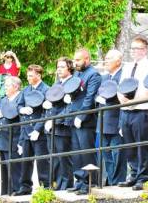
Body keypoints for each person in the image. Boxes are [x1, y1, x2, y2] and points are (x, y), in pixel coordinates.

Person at [117, 36, 148, 191]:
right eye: (132, 48)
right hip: (126, 110)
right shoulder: (127, 67)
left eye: (137, 48)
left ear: (145, 50)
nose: (134, 52)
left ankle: (143, 176)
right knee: (129, 144)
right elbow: (120, 86)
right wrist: (122, 100)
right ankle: (133, 174)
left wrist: (133, 103)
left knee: (141, 144)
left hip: (141, 110)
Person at [68, 48, 102, 194]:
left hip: (86, 120)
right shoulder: (77, 73)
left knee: (86, 152)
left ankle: (89, 182)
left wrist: (81, 117)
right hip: (74, 117)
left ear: (87, 59)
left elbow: (90, 98)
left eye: (78, 60)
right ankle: (80, 180)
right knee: (76, 152)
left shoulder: (93, 75)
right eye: (74, 60)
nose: (75, 63)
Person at [16, 65, 50, 194]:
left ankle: (45, 186)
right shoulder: (25, 90)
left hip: (39, 133)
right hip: (26, 131)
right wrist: (22, 109)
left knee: (42, 161)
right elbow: (19, 105)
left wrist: (37, 129)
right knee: (26, 161)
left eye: (31, 76)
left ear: (38, 76)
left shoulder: (46, 90)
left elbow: (46, 112)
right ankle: (25, 187)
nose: (28, 78)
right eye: (28, 75)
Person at [95, 49, 127, 186]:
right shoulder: (104, 77)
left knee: (118, 153)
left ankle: (118, 181)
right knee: (106, 154)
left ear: (118, 61)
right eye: (106, 58)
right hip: (103, 120)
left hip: (117, 119)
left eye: (109, 58)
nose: (106, 61)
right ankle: (111, 180)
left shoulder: (123, 75)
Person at [44, 57, 75, 190]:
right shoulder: (57, 83)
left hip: (63, 127)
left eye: (62, 67)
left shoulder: (73, 83)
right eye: (58, 67)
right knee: (54, 158)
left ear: (69, 68)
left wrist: (55, 121)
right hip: (51, 127)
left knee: (64, 158)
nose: (59, 69)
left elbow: (70, 107)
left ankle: (66, 184)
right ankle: (56, 184)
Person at [0, 76, 24, 195]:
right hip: (2, 138)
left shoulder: (21, 98)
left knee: (15, 168)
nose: (4, 88)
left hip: (14, 137)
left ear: (15, 87)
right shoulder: (5, 99)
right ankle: (5, 192)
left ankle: (16, 190)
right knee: (4, 168)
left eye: (7, 86)